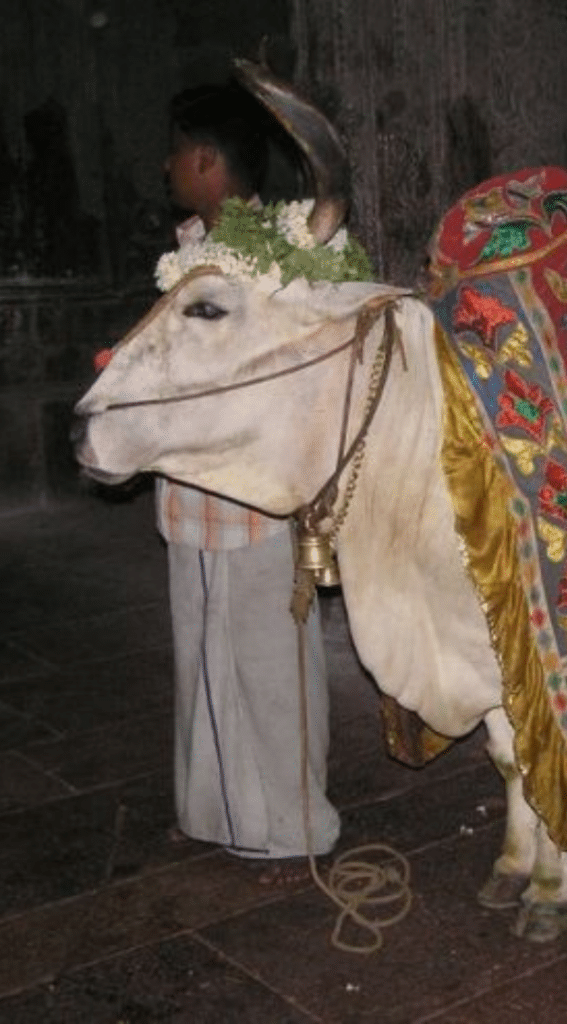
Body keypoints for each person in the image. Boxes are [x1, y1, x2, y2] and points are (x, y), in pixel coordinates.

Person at [158, 82, 341, 883]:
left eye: (177, 154)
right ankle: (217, 810)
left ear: (205, 161)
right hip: (193, 492)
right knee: (203, 656)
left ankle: (292, 820)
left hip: (255, 495)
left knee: (269, 659)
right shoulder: (192, 246)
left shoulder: (282, 251)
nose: (167, 168)